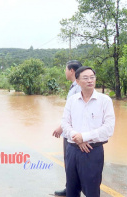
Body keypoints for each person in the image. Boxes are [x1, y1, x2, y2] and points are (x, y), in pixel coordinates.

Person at [61, 66, 115, 197]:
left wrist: (84, 137)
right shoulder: (72, 100)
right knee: (71, 189)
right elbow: (65, 123)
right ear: (78, 81)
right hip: (72, 150)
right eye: (85, 78)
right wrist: (76, 137)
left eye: (92, 77)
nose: (90, 80)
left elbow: (108, 128)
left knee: (92, 190)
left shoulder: (104, 101)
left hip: (92, 151)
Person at [52, 60, 82, 196]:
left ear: (71, 71)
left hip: (74, 133)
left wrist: (61, 127)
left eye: (65, 69)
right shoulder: (74, 86)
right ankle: (69, 188)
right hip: (69, 132)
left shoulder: (79, 88)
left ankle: (73, 190)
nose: (64, 72)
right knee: (69, 164)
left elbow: (75, 113)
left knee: (73, 165)